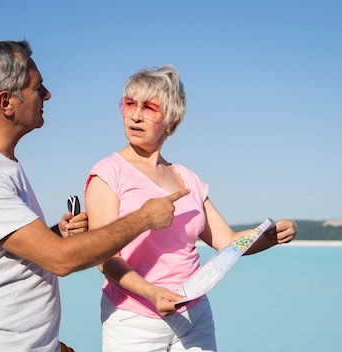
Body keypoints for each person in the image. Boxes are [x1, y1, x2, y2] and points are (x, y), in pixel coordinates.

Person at [0, 40, 189, 352]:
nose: (47, 94)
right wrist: (144, 219)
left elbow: (12, 253)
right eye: (38, 87)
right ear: (6, 102)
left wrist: (56, 233)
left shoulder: (0, 163)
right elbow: (60, 260)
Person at [84, 65, 298, 352]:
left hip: (195, 316)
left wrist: (271, 235)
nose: (135, 115)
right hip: (134, 319)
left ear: (170, 121)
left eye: (149, 107)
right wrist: (153, 293)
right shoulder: (108, 173)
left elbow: (228, 242)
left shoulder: (187, 178)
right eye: (130, 104)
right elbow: (103, 258)